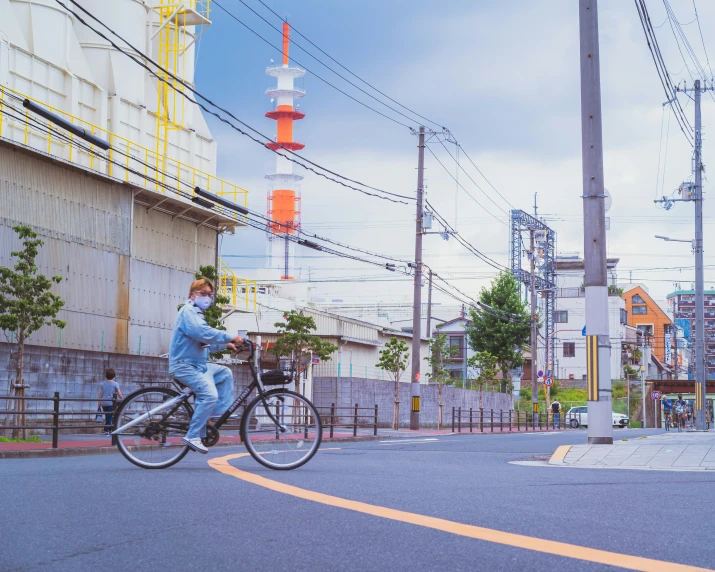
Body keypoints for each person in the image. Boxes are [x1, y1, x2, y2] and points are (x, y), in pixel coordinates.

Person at [169, 277, 243, 454]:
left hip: (199, 365)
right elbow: (201, 332)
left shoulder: (197, 314)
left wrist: (226, 345)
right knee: (209, 394)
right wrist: (229, 337)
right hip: (184, 366)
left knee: (224, 373)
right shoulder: (188, 312)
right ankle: (193, 435)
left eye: (210, 295)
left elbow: (203, 342)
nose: (207, 297)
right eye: (203, 293)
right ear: (192, 295)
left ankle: (215, 413)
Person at [98, 368, 123, 435]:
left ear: (106, 376)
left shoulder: (103, 384)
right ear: (114, 376)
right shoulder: (115, 384)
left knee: (107, 416)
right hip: (111, 403)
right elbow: (119, 393)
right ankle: (106, 430)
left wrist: (99, 402)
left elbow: (100, 393)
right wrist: (122, 398)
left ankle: (109, 429)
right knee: (110, 416)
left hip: (104, 402)